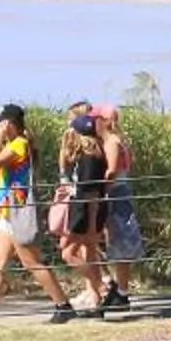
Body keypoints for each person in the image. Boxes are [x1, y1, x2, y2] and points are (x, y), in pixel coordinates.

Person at [0, 104, 74, 326]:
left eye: (2, 123)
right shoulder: (9, 144)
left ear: (11, 123)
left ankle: (63, 305)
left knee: (32, 262)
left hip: (17, 210)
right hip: (7, 211)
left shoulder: (20, 145)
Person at [53, 110, 115, 315]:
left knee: (68, 252)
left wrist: (88, 220)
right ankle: (97, 301)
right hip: (92, 208)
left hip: (85, 209)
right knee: (88, 252)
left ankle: (101, 285)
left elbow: (90, 191)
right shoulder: (96, 154)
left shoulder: (88, 159)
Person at [88, 101, 143, 313]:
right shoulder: (120, 141)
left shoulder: (111, 142)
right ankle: (118, 289)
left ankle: (121, 291)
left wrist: (98, 188)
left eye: (96, 120)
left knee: (119, 241)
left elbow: (111, 171)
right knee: (117, 242)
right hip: (122, 192)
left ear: (104, 121)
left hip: (116, 194)